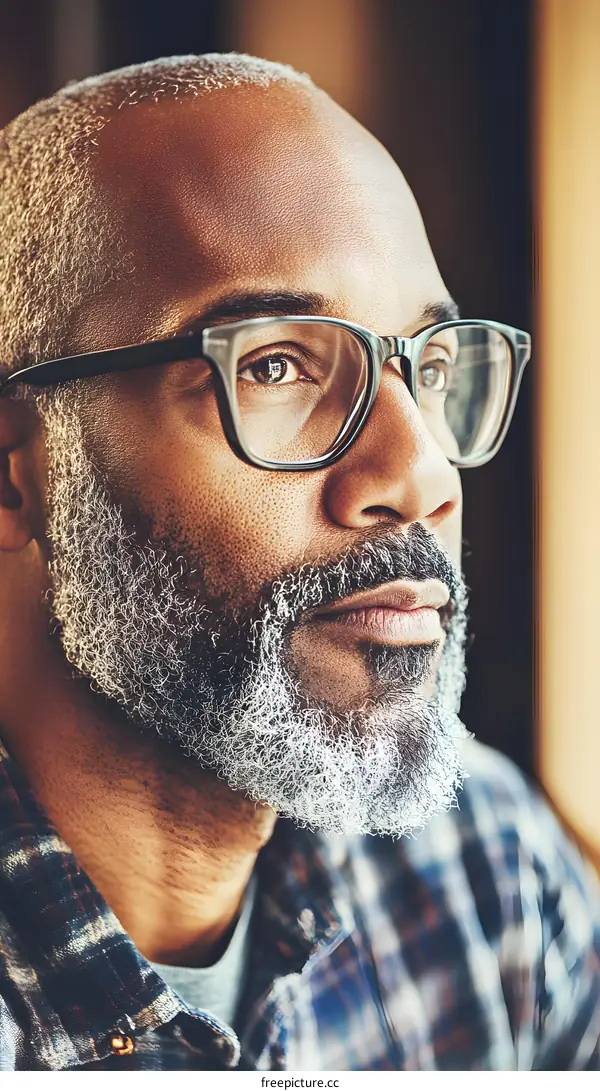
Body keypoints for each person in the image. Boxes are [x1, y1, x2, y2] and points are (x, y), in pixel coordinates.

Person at [0, 52, 597, 1073]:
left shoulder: (484, 865)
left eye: (433, 366)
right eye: (276, 363)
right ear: (20, 473)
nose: (420, 475)